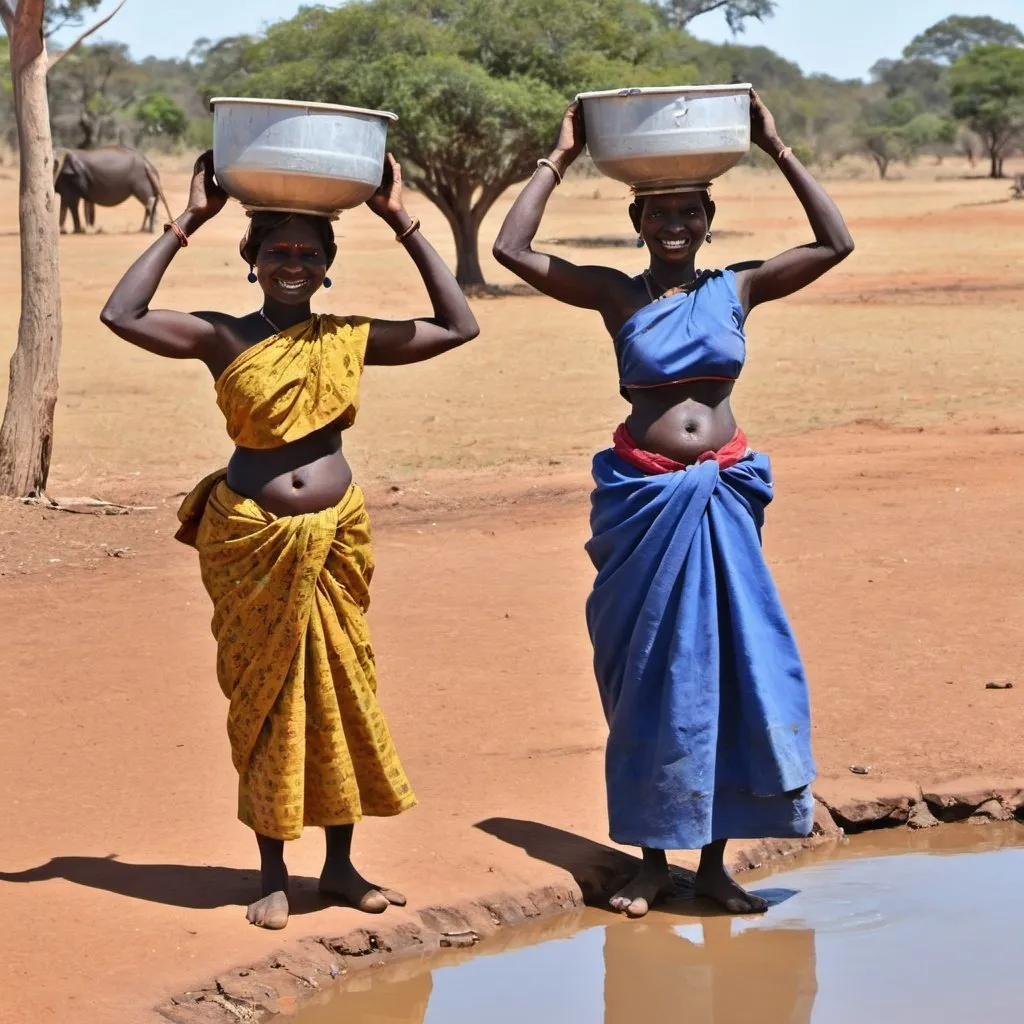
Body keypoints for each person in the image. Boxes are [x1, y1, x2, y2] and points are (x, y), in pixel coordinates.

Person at [493, 90, 853, 918]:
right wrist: (560, 153)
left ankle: (717, 864)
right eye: (659, 214)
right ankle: (654, 863)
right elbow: (511, 249)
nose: (674, 226)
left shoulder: (739, 288)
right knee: (653, 674)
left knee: (727, 673)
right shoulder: (619, 298)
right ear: (638, 220)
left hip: (722, 496)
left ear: (707, 216)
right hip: (645, 500)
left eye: (689, 212)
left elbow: (837, 241)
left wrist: (777, 146)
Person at [100, 151, 479, 930]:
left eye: (310, 254)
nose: (294, 264)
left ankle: (340, 867)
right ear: (253, 262)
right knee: (268, 705)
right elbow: (123, 315)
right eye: (278, 251)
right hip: (253, 544)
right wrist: (190, 219)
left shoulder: (347, 338)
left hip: (335, 541)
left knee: (341, 696)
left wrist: (398, 216)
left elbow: (458, 324)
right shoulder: (223, 338)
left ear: (330, 266)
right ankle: (272, 871)